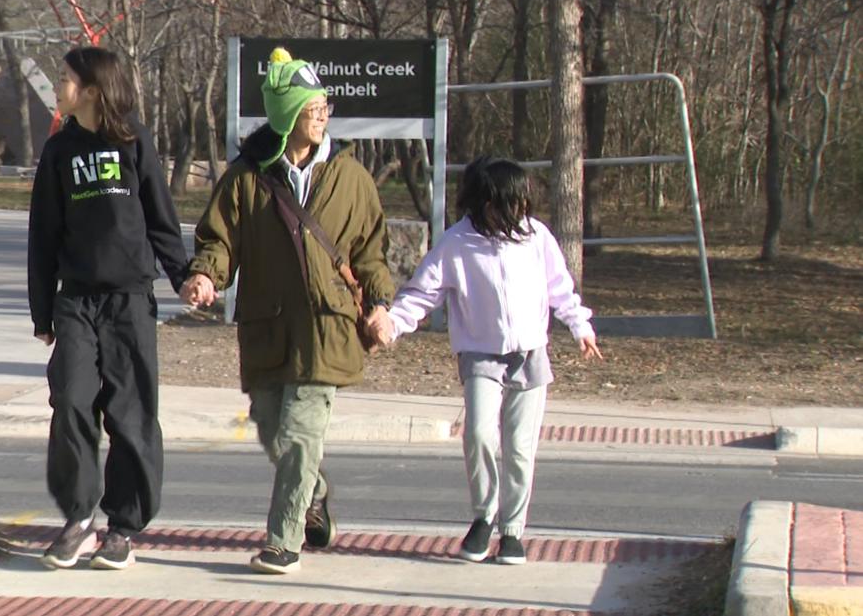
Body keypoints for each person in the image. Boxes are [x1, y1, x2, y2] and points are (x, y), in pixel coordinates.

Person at [180, 47, 395, 575]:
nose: (323, 115)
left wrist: (382, 304)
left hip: (328, 328)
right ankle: (314, 493)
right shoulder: (245, 179)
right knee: (272, 431)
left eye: (325, 106)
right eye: (312, 106)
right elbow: (219, 239)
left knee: (300, 436)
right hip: (267, 329)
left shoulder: (351, 177)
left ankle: (284, 539)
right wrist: (206, 274)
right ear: (286, 114)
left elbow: (371, 251)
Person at [367, 157, 602, 565]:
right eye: (507, 203)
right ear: (484, 202)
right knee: (477, 434)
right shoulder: (458, 243)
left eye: (521, 204)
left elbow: (559, 287)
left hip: (530, 353)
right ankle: (484, 516)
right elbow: (423, 293)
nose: (516, 212)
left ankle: (512, 531)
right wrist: (394, 323)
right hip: (480, 354)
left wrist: (580, 325)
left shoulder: (536, 237)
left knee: (520, 446)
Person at [28, 46, 189, 571]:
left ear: (92, 90)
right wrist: (42, 313)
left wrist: (184, 277)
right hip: (76, 301)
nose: (58, 86)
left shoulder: (135, 141)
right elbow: (43, 235)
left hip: (129, 303)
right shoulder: (58, 151)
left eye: (66, 79)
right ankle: (78, 518)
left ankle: (122, 527)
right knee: (71, 400)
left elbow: (162, 222)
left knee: (131, 414)